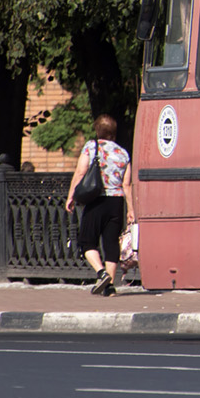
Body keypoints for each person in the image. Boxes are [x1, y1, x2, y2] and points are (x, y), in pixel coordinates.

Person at [62, 114, 133, 297]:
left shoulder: (91, 147)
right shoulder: (123, 153)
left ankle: (101, 274)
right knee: (111, 243)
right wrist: (131, 210)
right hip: (116, 202)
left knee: (86, 241)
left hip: (97, 200)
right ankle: (109, 287)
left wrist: (71, 196)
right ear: (114, 132)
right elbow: (127, 185)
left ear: (97, 130)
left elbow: (81, 172)